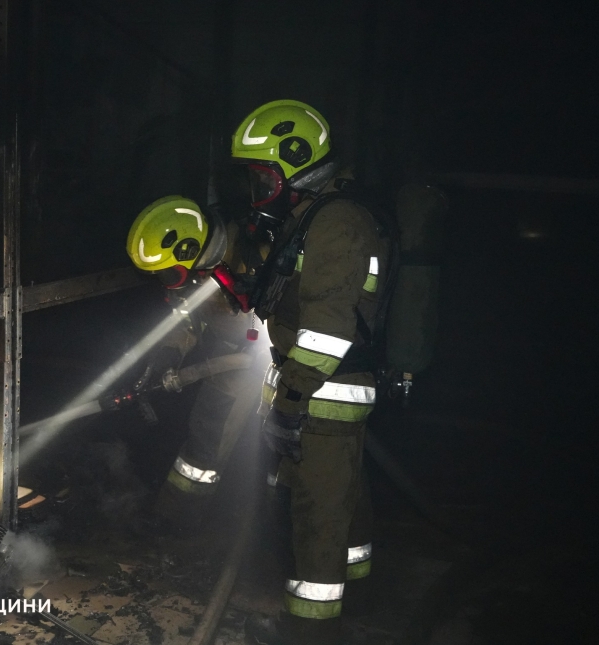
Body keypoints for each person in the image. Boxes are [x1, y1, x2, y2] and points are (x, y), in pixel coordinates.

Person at [229, 100, 393, 645]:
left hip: (323, 393)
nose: (258, 187)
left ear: (294, 162)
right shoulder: (319, 217)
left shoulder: (337, 221)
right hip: (328, 392)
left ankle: (308, 631)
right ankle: (361, 589)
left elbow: (327, 327)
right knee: (343, 495)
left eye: (262, 174)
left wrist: (292, 396)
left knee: (316, 514)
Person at [125, 195, 270, 537]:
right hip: (232, 357)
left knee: (282, 451)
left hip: (279, 361)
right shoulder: (194, 272)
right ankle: (176, 523)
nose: (167, 281)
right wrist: (168, 356)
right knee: (207, 437)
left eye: (167, 272)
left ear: (188, 249)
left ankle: (267, 529)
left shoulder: (254, 254)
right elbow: (185, 318)